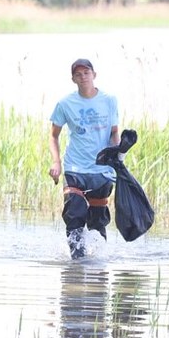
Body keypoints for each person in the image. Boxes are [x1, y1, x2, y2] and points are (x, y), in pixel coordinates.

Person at [48, 58, 120, 259]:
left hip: (102, 170)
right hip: (75, 168)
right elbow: (53, 135)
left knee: (98, 222)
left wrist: (117, 155)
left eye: (86, 73)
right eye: (78, 74)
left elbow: (115, 132)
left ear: (94, 75)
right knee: (74, 214)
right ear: (73, 79)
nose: (83, 77)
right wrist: (56, 162)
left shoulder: (109, 100)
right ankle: (76, 266)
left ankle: (98, 270)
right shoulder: (65, 104)